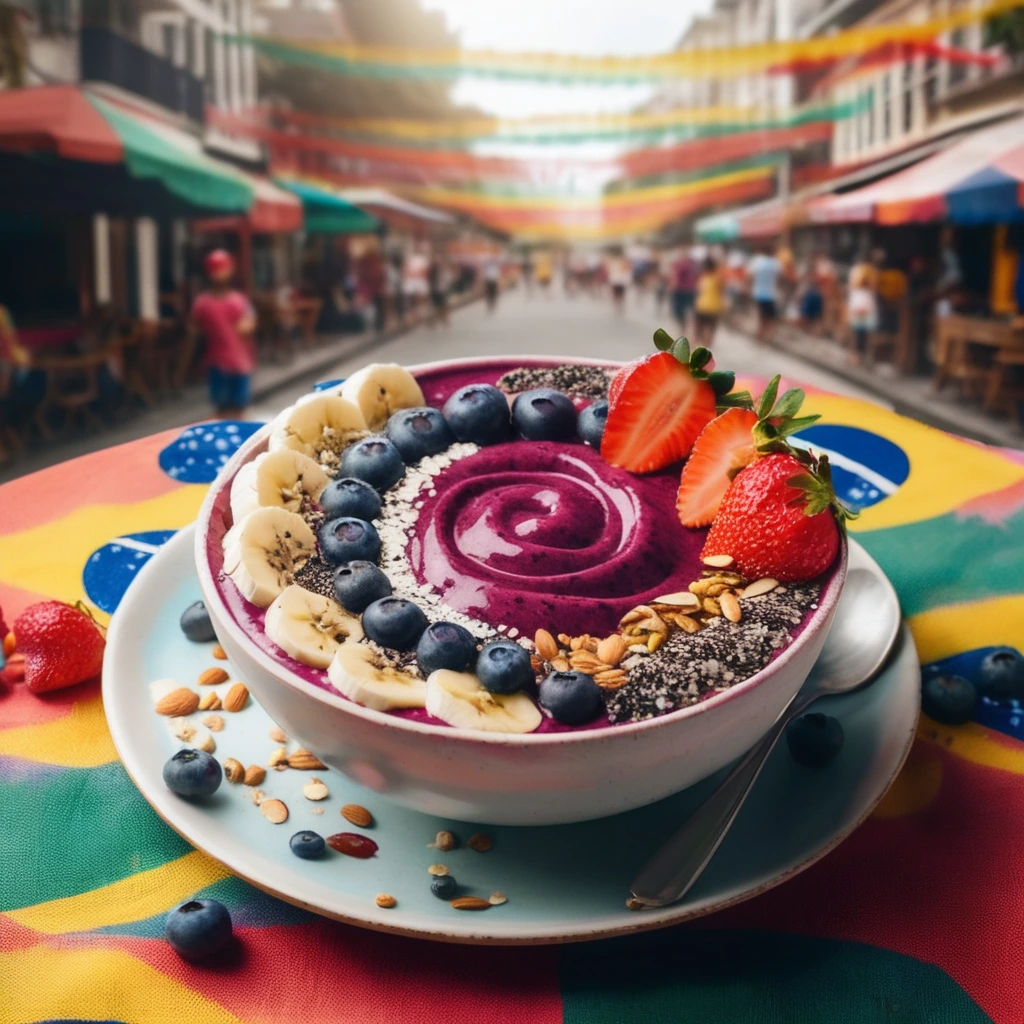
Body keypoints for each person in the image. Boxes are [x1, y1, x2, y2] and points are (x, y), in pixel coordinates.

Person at [190, 249, 256, 419]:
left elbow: (250, 323)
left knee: (238, 410)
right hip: (217, 363)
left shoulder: (238, 300)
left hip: (240, 362)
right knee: (221, 411)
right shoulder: (202, 303)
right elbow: (193, 330)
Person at [846, 252, 878, 365]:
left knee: (861, 332)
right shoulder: (864, 271)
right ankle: (857, 355)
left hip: (862, 303)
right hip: (862, 303)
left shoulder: (867, 271)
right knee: (859, 332)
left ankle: (860, 355)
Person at [749, 246, 783, 342]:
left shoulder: (758, 261)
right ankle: (767, 337)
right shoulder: (776, 263)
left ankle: (759, 335)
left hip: (758, 293)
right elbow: (780, 278)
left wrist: (749, 288)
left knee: (761, 316)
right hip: (771, 294)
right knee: (770, 318)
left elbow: (750, 276)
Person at [694, 256, 725, 347]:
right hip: (715, 306)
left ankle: (699, 342)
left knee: (699, 327)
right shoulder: (718, 279)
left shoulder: (703, 278)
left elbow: (698, 290)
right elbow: (722, 291)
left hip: (702, 305)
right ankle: (708, 343)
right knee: (711, 327)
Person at [670, 249, 699, 332]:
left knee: (683, 309)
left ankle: (683, 326)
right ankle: (683, 326)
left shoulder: (691, 264)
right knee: (680, 310)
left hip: (685, 290)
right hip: (683, 289)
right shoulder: (680, 264)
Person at [428, 254, 451, 327]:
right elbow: (429, 280)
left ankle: (444, 320)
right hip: (434, 290)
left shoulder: (444, 270)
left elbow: (447, 279)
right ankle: (433, 322)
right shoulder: (432, 270)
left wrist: (446, 287)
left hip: (442, 290)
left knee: (443, 306)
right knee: (434, 306)